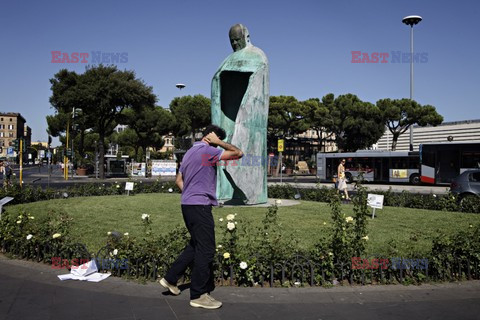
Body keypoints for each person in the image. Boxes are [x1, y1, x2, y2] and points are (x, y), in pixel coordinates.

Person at [159, 124, 243, 310]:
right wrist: (219, 142)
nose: (217, 146)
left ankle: (170, 279)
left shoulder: (189, 153)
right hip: (200, 205)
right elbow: (238, 153)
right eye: (216, 141)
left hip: (187, 204)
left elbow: (178, 180)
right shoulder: (208, 151)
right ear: (211, 138)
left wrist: (190, 193)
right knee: (206, 249)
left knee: (195, 245)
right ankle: (198, 295)